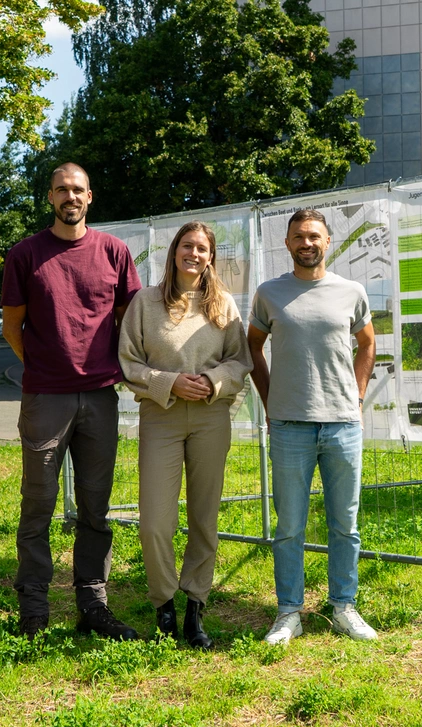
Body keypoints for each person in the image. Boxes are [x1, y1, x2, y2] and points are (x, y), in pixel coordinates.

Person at [1, 163, 142, 640]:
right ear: (50, 198)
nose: (70, 196)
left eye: (77, 189)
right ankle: (34, 607)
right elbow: (11, 327)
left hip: (100, 396)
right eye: (61, 189)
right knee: (37, 503)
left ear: (90, 196)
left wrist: (102, 370)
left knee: (96, 506)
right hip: (45, 397)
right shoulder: (25, 255)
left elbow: (128, 321)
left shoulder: (114, 252)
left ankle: (93, 604)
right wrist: (46, 366)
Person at [118, 221, 253, 649]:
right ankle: (164, 603)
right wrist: (169, 382)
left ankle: (195, 604)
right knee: (156, 521)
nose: (194, 253)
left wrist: (213, 381)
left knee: (203, 517)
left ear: (211, 256)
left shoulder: (223, 305)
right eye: (186, 245)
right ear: (174, 251)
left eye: (202, 248)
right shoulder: (145, 303)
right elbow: (128, 363)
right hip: (163, 416)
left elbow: (239, 361)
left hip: (212, 418)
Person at [247, 208, 378, 645]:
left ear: (328, 242)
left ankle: (344, 607)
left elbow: (368, 344)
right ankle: (289, 613)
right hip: (289, 427)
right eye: (299, 236)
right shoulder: (269, 294)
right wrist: (270, 401)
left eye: (315, 236)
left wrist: (357, 398)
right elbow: (253, 348)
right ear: (287, 243)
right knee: (289, 527)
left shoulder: (351, 291)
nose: (307, 243)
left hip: (342, 424)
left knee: (345, 524)